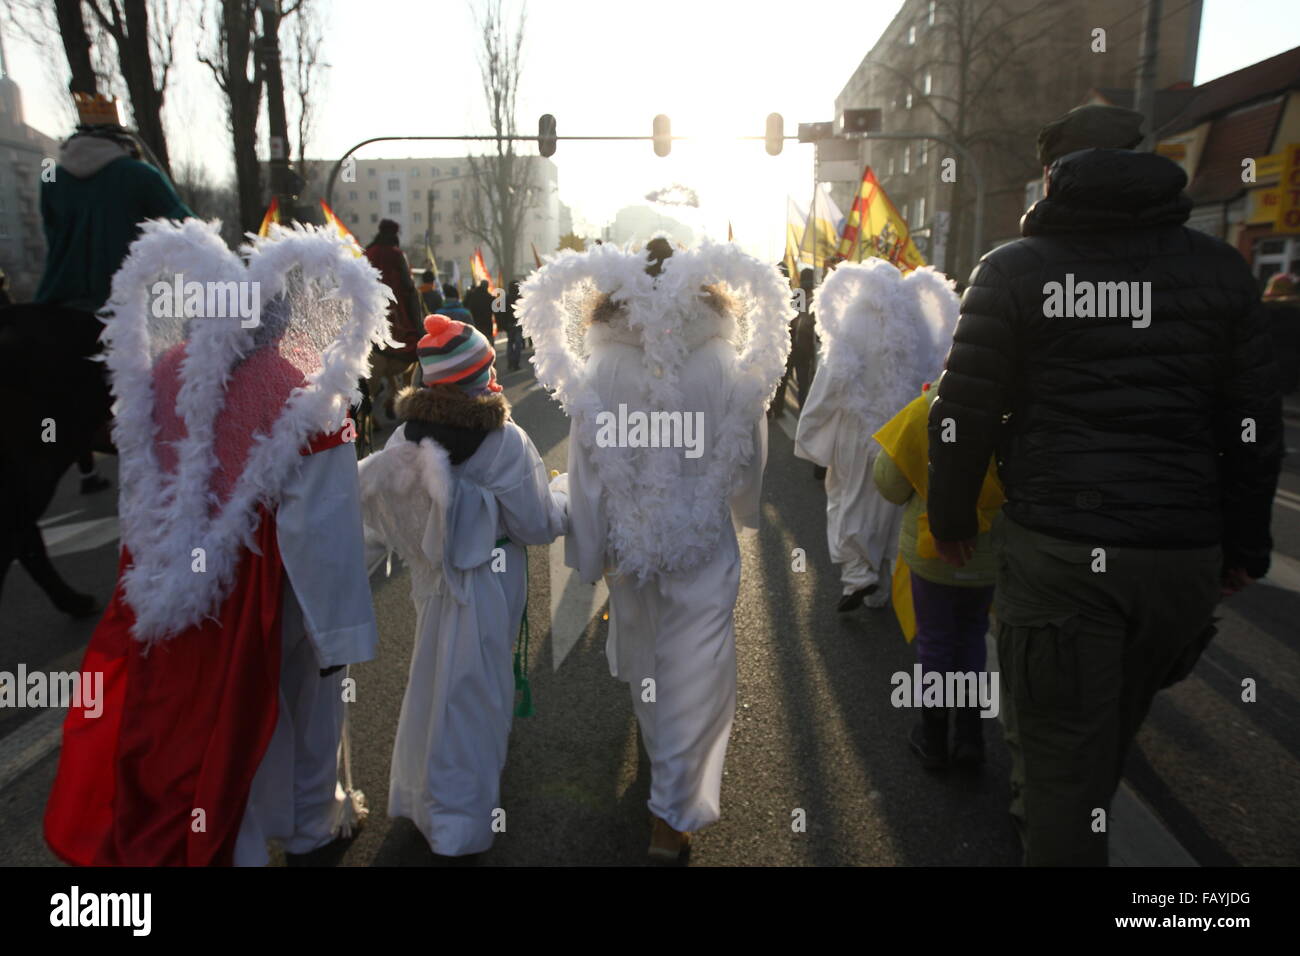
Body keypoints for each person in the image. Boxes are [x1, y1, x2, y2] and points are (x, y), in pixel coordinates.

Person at [927, 104, 1284, 866]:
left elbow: (961, 414)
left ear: (1053, 174)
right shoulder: (1220, 268)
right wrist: (1244, 545)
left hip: (1063, 554)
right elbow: (1253, 424)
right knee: (1107, 732)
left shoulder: (1015, 268)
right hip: (1180, 556)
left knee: (1062, 761)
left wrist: (951, 516)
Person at [44, 220, 388, 866]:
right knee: (294, 709)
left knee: (201, 727)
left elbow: (141, 481)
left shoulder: (167, 370)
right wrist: (338, 630)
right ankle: (310, 827)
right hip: (263, 587)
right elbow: (321, 517)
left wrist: (145, 567)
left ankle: (235, 842)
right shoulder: (294, 384)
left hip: (175, 582)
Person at [518, 237, 792, 862]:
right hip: (701, 542)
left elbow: (585, 469)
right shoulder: (723, 357)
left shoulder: (605, 366)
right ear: (704, 291)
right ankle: (671, 814)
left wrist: (590, 555)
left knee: (646, 660)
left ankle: (664, 778)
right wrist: (743, 507)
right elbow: (747, 447)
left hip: (629, 542)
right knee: (698, 669)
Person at [359, 313, 566, 857]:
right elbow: (536, 523)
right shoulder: (505, 440)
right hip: (491, 585)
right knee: (476, 696)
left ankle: (417, 799)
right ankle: (460, 823)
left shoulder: (404, 435)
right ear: (480, 376)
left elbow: (385, 513)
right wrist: (565, 497)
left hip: (433, 584)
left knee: (430, 683)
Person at [796, 259, 955, 612]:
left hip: (856, 429)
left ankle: (858, 576)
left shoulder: (853, 321)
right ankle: (883, 585)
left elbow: (832, 377)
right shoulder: (918, 323)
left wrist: (809, 428)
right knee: (892, 506)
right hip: (901, 433)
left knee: (846, 500)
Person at [364, 219, 422, 419]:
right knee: (419, 347)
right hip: (394, 314)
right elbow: (408, 286)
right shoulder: (397, 255)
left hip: (369, 314)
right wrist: (418, 320)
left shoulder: (366, 253)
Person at [464, 278, 496, 342]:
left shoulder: (473, 295)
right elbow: (495, 311)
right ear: (486, 286)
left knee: (477, 339)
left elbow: (466, 304)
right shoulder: (489, 297)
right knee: (488, 339)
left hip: (475, 321)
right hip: (487, 322)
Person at [502, 278, 524, 371]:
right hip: (518, 324)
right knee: (518, 344)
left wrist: (503, 324)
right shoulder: (521, 298)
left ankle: (510, 362)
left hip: (509, 324)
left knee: (510, 343)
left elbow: (502, 313)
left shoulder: (505, 298)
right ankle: (515, 363)